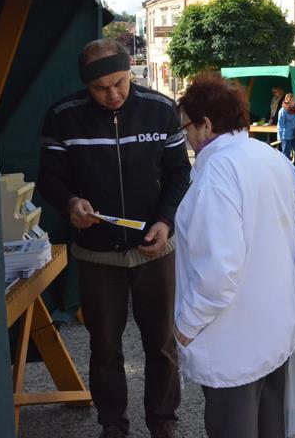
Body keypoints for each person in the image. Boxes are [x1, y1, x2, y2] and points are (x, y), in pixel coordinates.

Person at [37, 39, 191, 438]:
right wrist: (70, 203)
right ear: (85, 86)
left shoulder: (160, 110)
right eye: (101, 88)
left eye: (120, 83)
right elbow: (50, 178)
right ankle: (113, 426)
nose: (113, 95)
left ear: (130, 72)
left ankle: (163, 423)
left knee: (161, 345)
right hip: (96, 256)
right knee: (105, 349)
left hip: (154, 250)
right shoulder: (62, 117)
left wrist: (164, 220)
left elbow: (179, 173)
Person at [174, 72, 295, 438]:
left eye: (187, 126)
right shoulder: (269, 157)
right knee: (269, 428)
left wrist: (185, 327)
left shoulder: (216, 172)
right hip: (276, 326)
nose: (185, 136)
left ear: (206, 124)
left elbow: (219, 271)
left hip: (234, 337)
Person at [277, 92, 295, 172]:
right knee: (286, 153)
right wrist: (280, 136)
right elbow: (280, 124)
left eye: (294, 100)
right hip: (286, 135)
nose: (294, 102)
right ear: (288, 101)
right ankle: (285, 169)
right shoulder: (282, 111)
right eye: (292, 100)